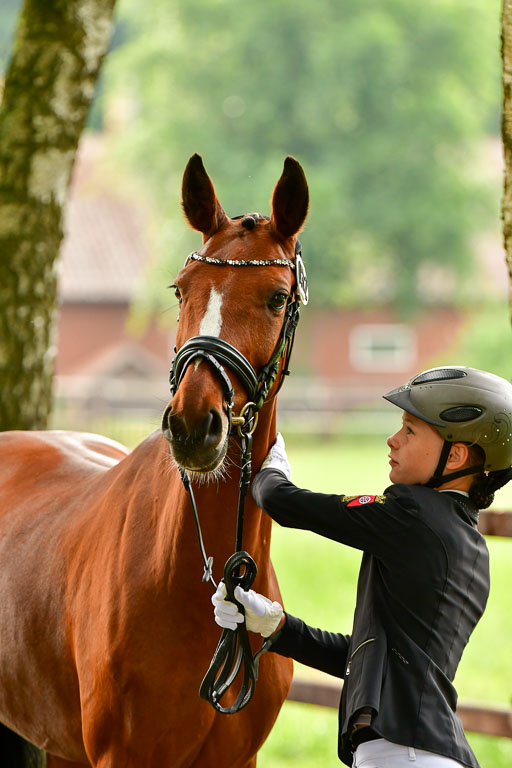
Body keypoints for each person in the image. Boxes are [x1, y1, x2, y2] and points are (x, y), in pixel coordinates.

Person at [212, 366, 512, 768]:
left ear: (455, 455)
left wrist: (271, 467)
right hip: (424, 753)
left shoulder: (414, 514)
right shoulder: (471, 548)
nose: (393, 439)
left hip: (402, 757)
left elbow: (283, 502)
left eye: (410, 430)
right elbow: (368, 661)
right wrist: (278, 626)